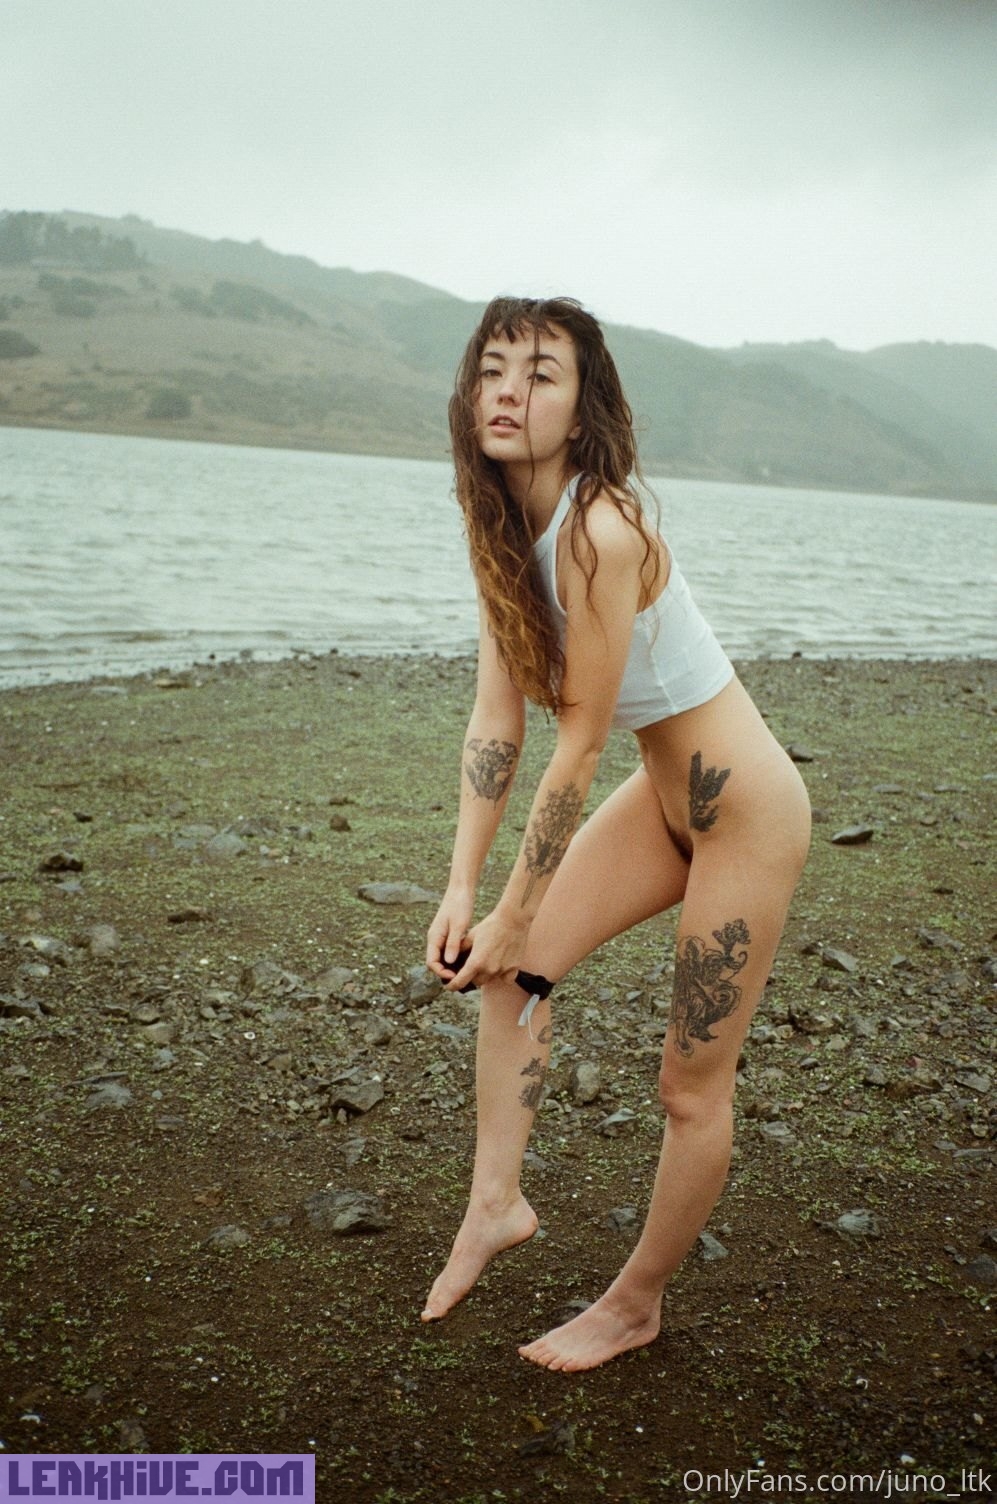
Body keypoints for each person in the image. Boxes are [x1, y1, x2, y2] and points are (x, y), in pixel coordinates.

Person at [421, 296, 811, 1372]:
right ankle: (495, 1204)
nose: (508, 391)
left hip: (744, 817)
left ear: (583, 406)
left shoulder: (600, 530)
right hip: (661, 799)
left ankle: (636, 1303)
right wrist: (463, 891)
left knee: (688, 1088)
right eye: (492, 369)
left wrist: (515, 906)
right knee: (510, 976)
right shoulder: (501, 522)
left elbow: (579, 745)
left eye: (540, 373)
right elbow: (496, 718)